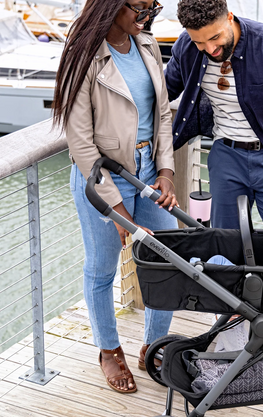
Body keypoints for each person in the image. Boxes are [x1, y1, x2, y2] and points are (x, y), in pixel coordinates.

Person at [52, 0, 178, 394]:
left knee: (167, 259)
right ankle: (109, 350)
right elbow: (81, 143)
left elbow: (162, 116)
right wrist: (117, 208)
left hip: (148, 171)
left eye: (153, 7)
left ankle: (153, 345)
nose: (147, 16)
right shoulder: (83, 54)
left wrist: (166, 170)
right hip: (102, 179)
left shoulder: (147, 44)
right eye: (140, 8)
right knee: (102, 268)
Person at [164, 0, 263, 230]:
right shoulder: (185, 46)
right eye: (200, 42)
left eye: (215, 37)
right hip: (224, 157)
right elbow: (162, 93)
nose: (210, 49)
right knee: (226, 242)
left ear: (229, 17)